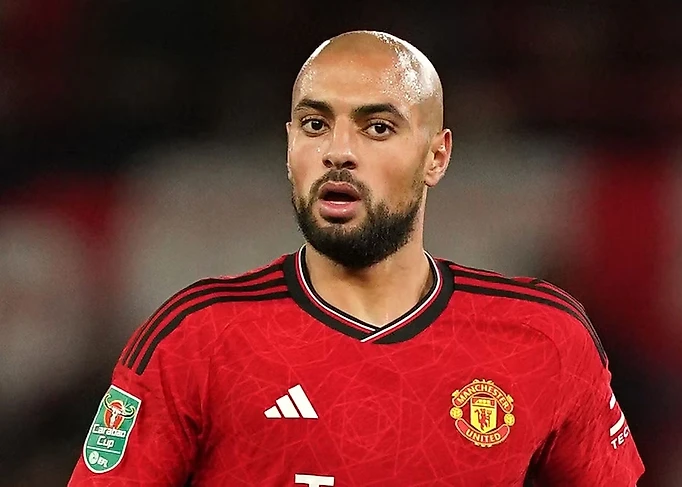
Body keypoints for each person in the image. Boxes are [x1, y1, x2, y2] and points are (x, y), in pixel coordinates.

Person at [68, 30, 644, 486]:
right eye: (316, 125)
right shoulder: (196, 337)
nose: (338, 152)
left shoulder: (543, 336)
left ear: (436, 156)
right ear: (289, 145)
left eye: (378, 127)